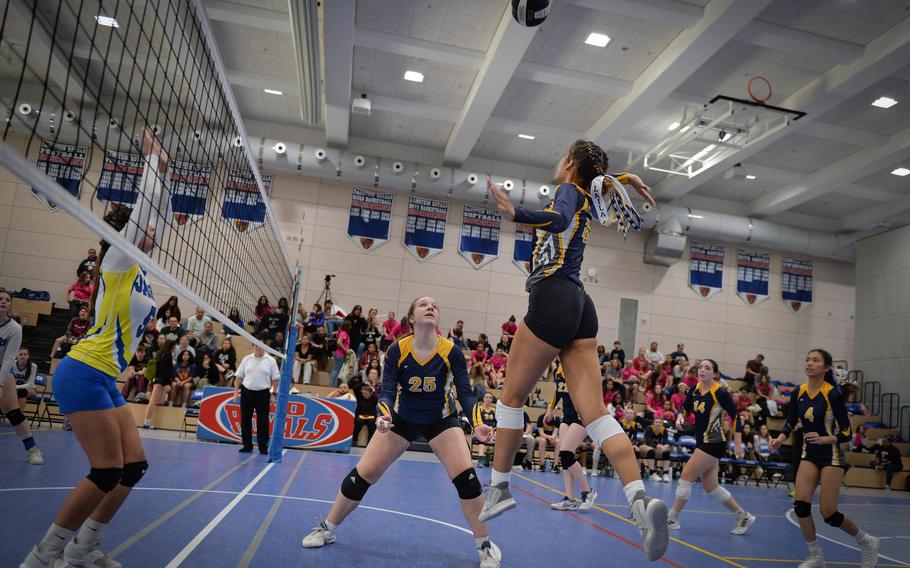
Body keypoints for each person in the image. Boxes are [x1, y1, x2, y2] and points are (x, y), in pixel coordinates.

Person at [480, 140, 668, 561]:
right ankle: (639, 502)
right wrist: (621, 178)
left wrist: (518, 214)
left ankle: (499, 488)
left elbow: (559, 215)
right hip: (582, 307)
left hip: (552, 297)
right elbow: (595, 185)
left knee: (511, 399)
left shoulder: (567, 192)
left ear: (568, 163)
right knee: (596, 414)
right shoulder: (589, 191)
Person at [22, 130, 168, 568]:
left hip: (104, 377)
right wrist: (154, 162)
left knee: (133, 467)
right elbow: (146, 211)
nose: (154, 231)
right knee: (105, 471)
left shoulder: (137, 270)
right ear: (125, 235)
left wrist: (162, 177)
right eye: (145, 228)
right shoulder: (119, 260)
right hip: (83, 371)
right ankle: (42, 558)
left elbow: (154, 212)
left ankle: (82, 549)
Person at [302, 297, 502, 568]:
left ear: (437, 319)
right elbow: (386, 390)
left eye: (435, 306)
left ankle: (484, 546)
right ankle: (328, 528)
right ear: (411, 318)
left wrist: (477, 421)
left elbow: (465, 393)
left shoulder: (451, 350)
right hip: (403, 418)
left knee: (467, 480)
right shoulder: (398, 349)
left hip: (441, 420)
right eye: (423, 305)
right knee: (361, 476)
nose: (431, 307)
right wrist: (383, 414)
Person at [770, 349, 880, 568]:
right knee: (801, 505)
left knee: (828, 513)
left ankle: (866, 541)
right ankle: (815, 555)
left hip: (832, 456)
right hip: (809, 454)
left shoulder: (832, 394)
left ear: (826, 367)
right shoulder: (799, 391)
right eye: (807, 359)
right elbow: (791, 421)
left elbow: (847, 432)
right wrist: (781, 438)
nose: (809, 363)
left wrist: (826, 438)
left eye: (815, 360)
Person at [668, 359, 755, 534]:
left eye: (707, 368)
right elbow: (684, 409)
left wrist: (738, 444)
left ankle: (672, 517)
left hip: (714, 441)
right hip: (702, 440)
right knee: (711, 487)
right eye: (700, 367)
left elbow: (737, 418)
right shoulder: (694, 389)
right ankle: (743, 515)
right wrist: (679, 418)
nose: (702, 370)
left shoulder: (720, 393)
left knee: (686, 475)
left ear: (715, 374)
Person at [546, 359, 597, 512]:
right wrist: (550, 409)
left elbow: (590, 390)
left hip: (581, 417)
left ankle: (588, 492)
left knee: (566, 453)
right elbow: (558, 391)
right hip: (567, 417)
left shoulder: (579, 366)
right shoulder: (558, 369)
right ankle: (570, 499)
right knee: (564, 458)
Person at [233, 345, 280, 454]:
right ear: (253, 347)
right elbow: (239, 377)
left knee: (263, 421)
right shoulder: (247, 359)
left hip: (263, 393)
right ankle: (247, 445)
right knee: (245, 419)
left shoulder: (271, 360)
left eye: (260, 346)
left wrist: (273, 394)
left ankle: (263, 447)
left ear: (264, 347)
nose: (258, 348)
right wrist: (235, 392)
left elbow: (275, 379)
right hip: (247, 391)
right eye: (256, 346)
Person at [143, 340, 176, 429]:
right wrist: (166, 383)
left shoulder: (161, 354)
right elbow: (165, 371)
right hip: (160, 381)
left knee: (160, 401)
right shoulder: (168, 355)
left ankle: (147, 420)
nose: (175, 348)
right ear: (171, 346)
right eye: (174, 346)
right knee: (153, 401)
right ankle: (146, 422)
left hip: (158, 380)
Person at [7, 347, 37, 412]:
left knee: (21, 392)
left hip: (30, 389)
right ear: (17, 356)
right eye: (20, 354)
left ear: (28, 356)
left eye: (25, 354)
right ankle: (15, 415)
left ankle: (19, 415)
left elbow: (30, 384)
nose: (23, 356)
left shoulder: (33, 366)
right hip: (13, 390)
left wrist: (14, 387)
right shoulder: (11, 364)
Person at [351, 376, 379, 446]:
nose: (364, 395)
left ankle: (370, 442)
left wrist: (373, 390)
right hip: (360, 416)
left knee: (372, 424)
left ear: (370, 393)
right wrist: (363, 383)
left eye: (366, 393)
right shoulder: (360, 397)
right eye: (363, 393)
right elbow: (355, 388)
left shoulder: (374, 398)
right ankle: (354, 440)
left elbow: (377, 397)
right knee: (358, 422)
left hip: (371, 417)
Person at [328, 320, 352, 386]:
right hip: (340, 354)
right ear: (348, 327)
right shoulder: (344, 333)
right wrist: (345, 350)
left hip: (339, 354)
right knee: (336, 370)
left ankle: (335, 385)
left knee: (337, 371)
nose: (351, 327)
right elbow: (339, 342)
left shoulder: (340, 332)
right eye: (350, 326)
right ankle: (330, 385)